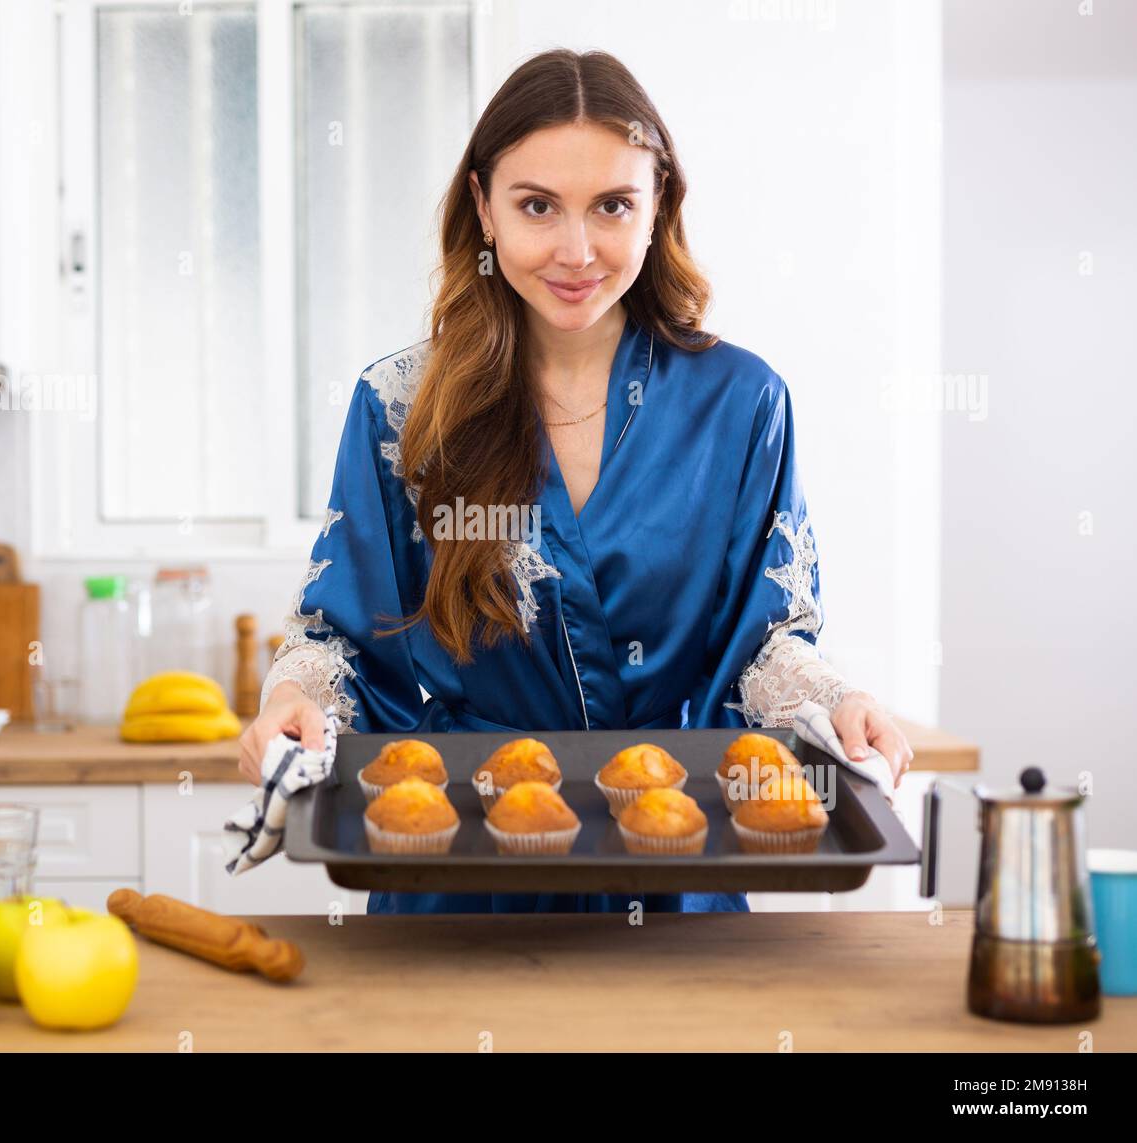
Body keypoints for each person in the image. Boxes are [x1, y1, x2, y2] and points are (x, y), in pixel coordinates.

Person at [238, 48, 914, 915]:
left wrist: (834, 700)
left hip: (679, 864)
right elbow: (340, 644)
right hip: (458, 875)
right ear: (483, 207)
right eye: (536, 207)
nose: (577, 250)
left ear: (657, 205)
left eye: (613, 206)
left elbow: (767, 642)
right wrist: (294, 699)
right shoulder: (399, 408)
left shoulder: (743, 403)